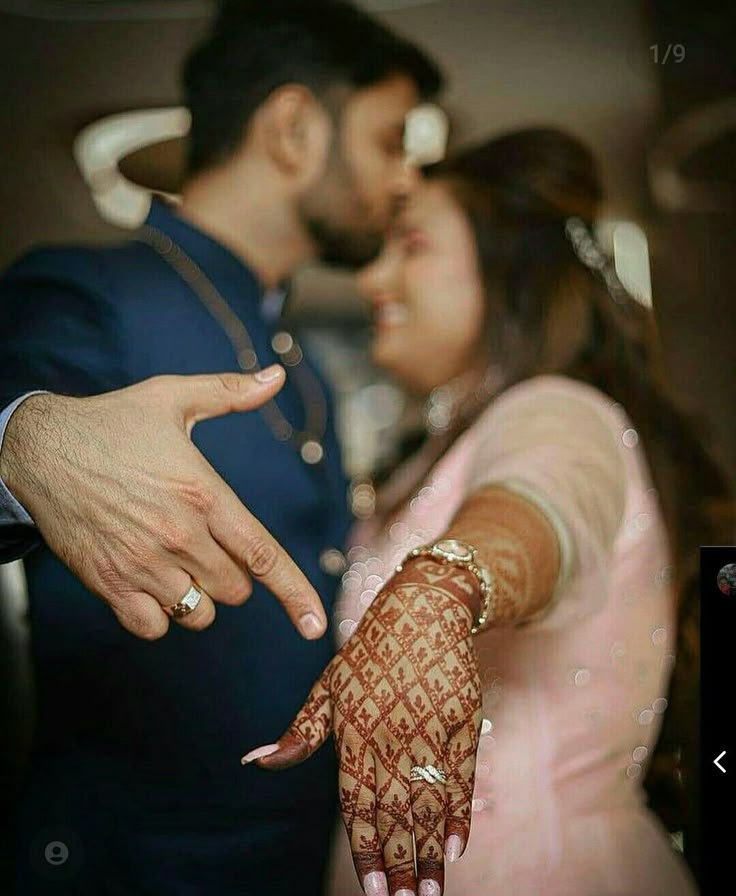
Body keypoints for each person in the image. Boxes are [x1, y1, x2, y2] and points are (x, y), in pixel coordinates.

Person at [0, 2, 443, 893]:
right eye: (390, 140)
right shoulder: (87, 290)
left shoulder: (306, 362)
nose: (404, 180)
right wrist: (25, 436)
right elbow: (20, 403)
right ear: (293, 129)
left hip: (301, 853)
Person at [247, 128, 734, 896]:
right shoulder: (428, 453)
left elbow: (540, 507)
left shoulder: (558, 410)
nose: (376, 277)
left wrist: (438, 590)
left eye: (412, 246)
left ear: (511, 270)